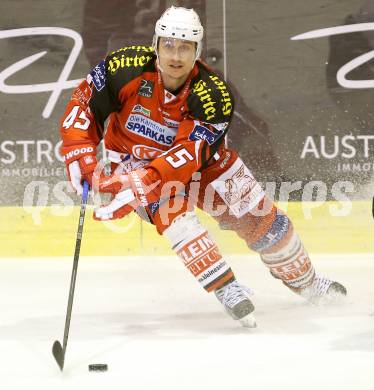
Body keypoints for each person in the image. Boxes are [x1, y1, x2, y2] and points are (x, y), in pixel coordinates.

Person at [59, 6, 346, 328]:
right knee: (175, 216)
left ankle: (307, 282)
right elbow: (83, 105)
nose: (176, 55)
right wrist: (78, 148)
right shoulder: (122, 67)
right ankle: (226, 287)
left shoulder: (213, 93)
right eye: (168, 45)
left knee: (264, 221)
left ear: (198, 50)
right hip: (133, 158)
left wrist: (147, 178)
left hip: (202, 163)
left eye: (185, 47)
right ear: (155, 44)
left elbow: (190, 154)